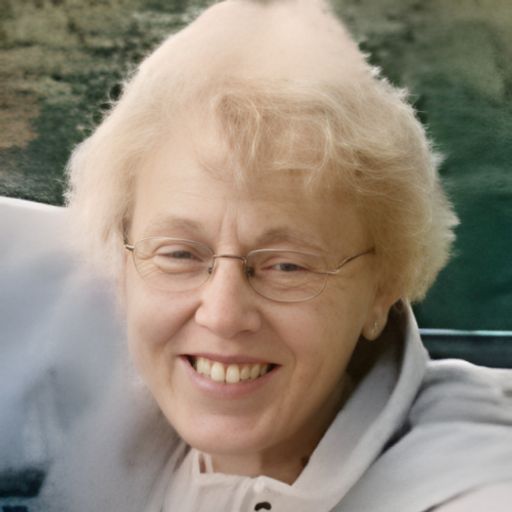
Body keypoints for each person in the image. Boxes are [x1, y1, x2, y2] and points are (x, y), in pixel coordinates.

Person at [12, 0, 509, 510]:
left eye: (287, 265)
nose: (223, 315)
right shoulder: (106, 420)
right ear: (122, 265)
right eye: (180, 255)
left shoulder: (470, 483)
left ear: (383, 290)